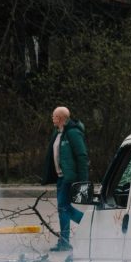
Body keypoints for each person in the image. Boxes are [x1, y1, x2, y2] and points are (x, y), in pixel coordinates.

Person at [42, 106, 89, 251]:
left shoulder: (73, 133)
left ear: (61, 118)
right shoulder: (58, 133)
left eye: (54, 116)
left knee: (63, 208)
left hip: (70, 177)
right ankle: (89, 225)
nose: (52, 118)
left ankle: (65, 241)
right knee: (65, 208)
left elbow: (82, 156)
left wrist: (83, 180)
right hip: (61, 178)